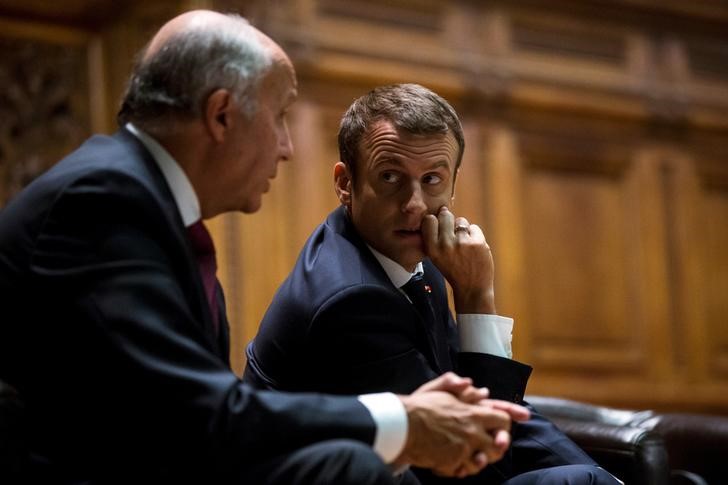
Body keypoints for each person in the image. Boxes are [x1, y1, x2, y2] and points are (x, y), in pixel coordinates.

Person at [0, 12, 531, 484]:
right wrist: (401, 419)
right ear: (222, 115)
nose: (286, 146)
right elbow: (195, 415)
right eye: (279, 117)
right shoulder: (105, 201)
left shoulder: (138, 200)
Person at [244, 83, 621, 484]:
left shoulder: (411, 256)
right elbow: (472, 461)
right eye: (390, 177)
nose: (415, 204)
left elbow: (481, 407)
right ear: (345, 183)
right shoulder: (353, 301)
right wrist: (476, 298)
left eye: (432, 179)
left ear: (454, 184)